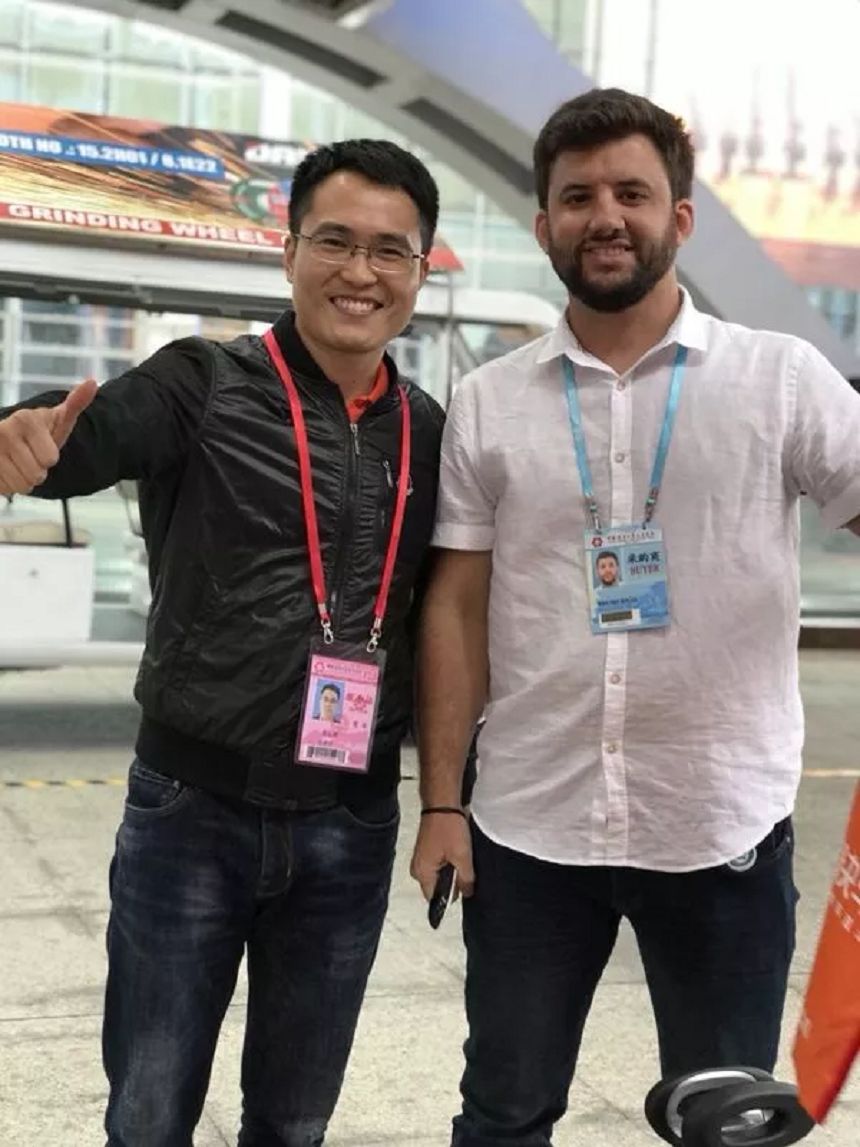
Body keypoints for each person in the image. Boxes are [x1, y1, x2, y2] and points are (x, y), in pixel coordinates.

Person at [410, 87, 860, 1146]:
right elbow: (457, 605)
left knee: (723, 1120)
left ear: (680, 217)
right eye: (577, 197)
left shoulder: (779, 380)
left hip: (719, 825)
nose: (604, 216)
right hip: (529, 828)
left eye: (631, 192)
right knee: (503, 1111)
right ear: (543, 225)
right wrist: (440, 802)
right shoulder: (489, 401)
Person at [0, 138, 445, 1147]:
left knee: (294, 1122)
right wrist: (20, 439)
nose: (360, 271)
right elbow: (84, 436)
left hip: (349, 818)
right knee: (149, 1111)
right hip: (191, 810)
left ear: (419, 271)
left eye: (389, 250)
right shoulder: (201, 382)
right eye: (334, 241)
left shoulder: (430, 431)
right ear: (288, 253)